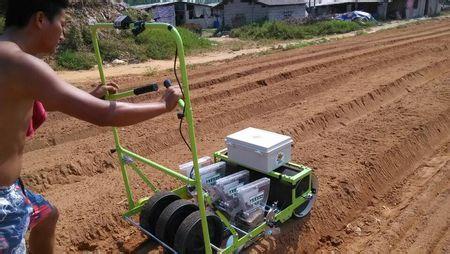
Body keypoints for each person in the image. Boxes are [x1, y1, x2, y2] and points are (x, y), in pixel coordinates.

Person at [0, 1, 182, 253]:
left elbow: (29, 100)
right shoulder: (22, 64)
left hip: (11, 187)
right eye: (62, 25)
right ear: (40, 19)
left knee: (47, 214)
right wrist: (163, 105)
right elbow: (104, 115)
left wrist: (87, 95)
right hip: (2, 200)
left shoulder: (7, 55)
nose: (63, 35)